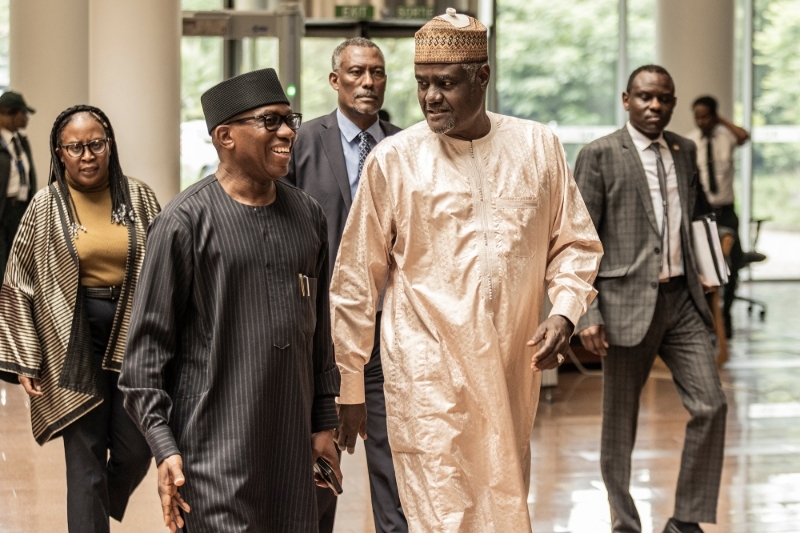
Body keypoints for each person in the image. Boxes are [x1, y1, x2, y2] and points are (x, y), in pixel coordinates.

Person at [330, 10, 603, 532]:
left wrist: (565, 311)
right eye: (422, 84)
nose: (431, 97)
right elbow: (354, 283)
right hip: (423, 370)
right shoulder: (394, 159)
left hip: (508, 370)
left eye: (446, 84)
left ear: (483, 77)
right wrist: (348, 388)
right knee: (441, 507)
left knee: (502, 502)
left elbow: (574, 242)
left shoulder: (536, 146)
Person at [119, 68, 342, 533]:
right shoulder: (183, 223)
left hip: (292, 456)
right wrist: (164, 446)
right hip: (213, 456)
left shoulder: (307, 216)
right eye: (270, 121)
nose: (287, 132)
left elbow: (319, 331)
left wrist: (324, 422)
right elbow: (143, 359)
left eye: (290, 119)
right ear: (225, 136)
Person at [573, 66, 728, 533]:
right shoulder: (598, 155)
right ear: (626, 99)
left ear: (673, 102)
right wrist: (589, 311)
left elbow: (697, 216)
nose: (654, 106)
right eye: (644, 97)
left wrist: (712, 266)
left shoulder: (685, 150)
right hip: (623, 306)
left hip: (682, 302)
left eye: (663, 99)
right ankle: (624, 522)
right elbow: (580, 240)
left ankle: (685, 519)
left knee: (711, 405)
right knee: (619, 424)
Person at [0, 105, 161, 532]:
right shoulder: (44, 206)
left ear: (109, 146)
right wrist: (25, 357)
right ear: (60, 153)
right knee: (84, 452)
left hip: (132, 330)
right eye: (76, 148)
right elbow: (18, 280)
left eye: (96, 144)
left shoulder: (140, 197)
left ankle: (98, 498)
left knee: (138, 443)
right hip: (69, 335)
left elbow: (166, 267)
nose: (87, 155)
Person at [283, 37, 406, 533]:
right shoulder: (301, 143)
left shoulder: (405, 146)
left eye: (376, 72)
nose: (368, 82)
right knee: (319, 451)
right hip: (321, 330)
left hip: (388, 328)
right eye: (356, 73)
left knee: (393, 459)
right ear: (335, 80)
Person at [686, 95, 751, 337]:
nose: (702, 121)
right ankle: (706, 319)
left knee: (734, 264)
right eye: (698, 116)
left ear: (714, 116)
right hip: (702, 213)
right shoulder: (690, 141)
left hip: (726, 212)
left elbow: (744, 136)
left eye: (706, 115)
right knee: (704, 267)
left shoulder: (727, 137)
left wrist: (721, 120)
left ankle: (727, 316)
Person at [0, 91, 36, 281]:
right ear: (10, 113)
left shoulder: (22, 142)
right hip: (3, 210)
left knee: (19, 263)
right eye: (23, 112)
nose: (27, 117)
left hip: (21, 210)